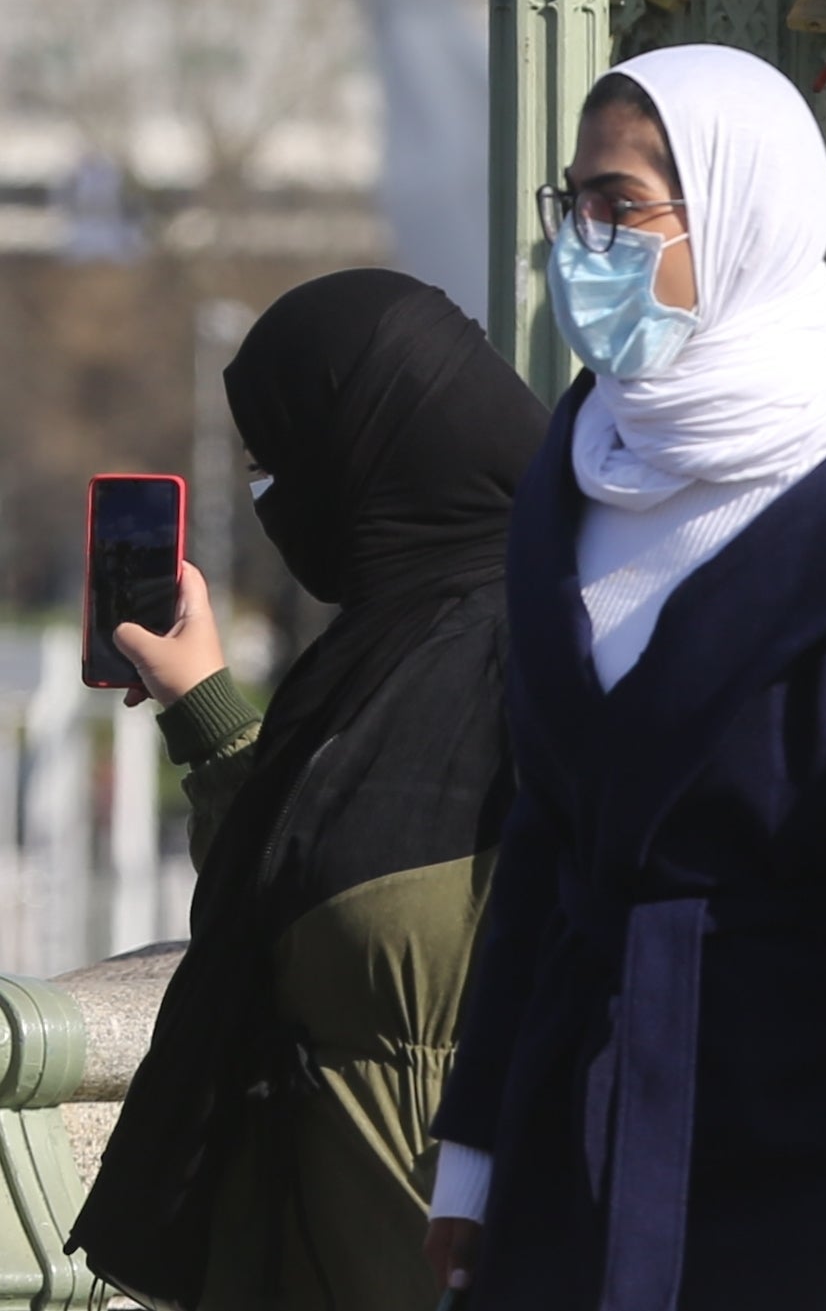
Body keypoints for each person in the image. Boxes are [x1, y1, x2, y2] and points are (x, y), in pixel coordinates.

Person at [423, 44, 826, 1311]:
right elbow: (547, 834)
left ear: (748, 213)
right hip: (565, 1161)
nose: (584, 244)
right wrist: (476, 1143)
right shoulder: (581, 459)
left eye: (625, 207)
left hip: (796, 1162)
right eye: (574, 202)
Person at [68, 270, 549, 1311]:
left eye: (277, 460)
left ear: (371, 443)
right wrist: (200, 703)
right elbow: (302, 881)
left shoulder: (561, 658)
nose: (269, 493)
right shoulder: (382, 659)